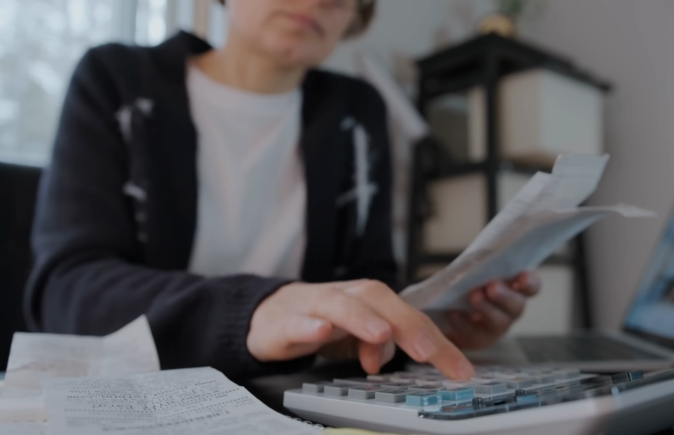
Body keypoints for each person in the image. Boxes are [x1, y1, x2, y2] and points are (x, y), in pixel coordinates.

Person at [25, 0, 540, 382]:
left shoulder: (357, 115)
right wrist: (253, 310)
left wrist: (418, 332)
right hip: (143, 393)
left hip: (286, 398)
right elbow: (67, 290)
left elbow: (370, 282)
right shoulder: (117, 80)